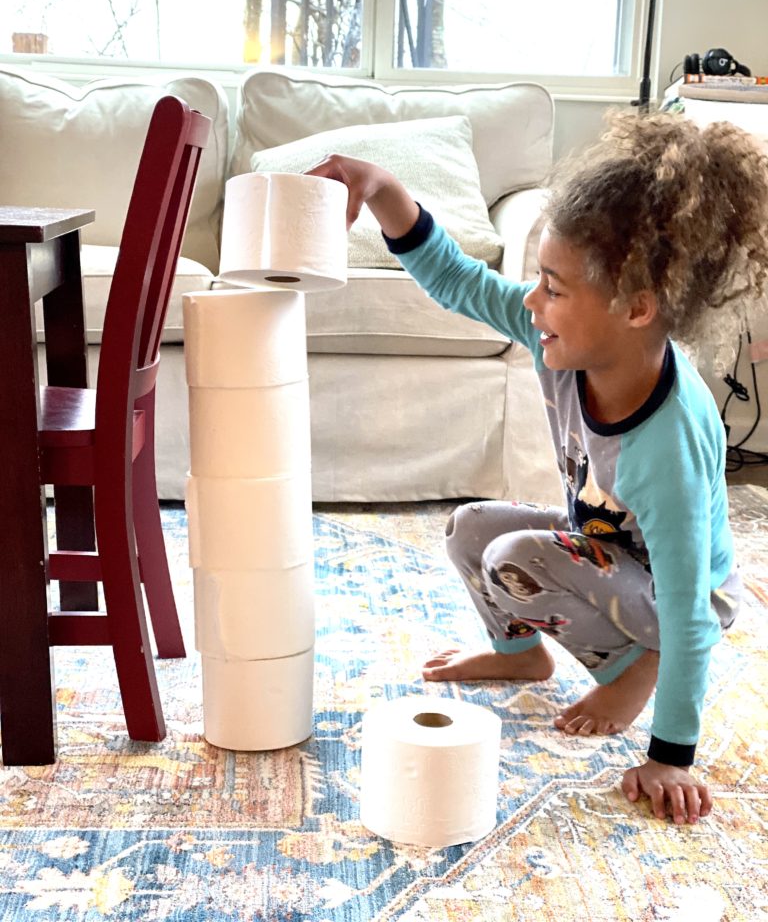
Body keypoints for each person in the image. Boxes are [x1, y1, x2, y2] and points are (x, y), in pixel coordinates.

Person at [306, 111, 768, 826]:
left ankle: (629, 666)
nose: (531, 301)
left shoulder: (666, 444)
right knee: (469, 529)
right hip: (610, 552)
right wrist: (384, 189)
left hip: (684, 598)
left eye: (553, 286)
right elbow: (461, 281)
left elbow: (688, 608)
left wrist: (672, 753)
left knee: (519, 554)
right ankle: (520, 655)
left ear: (637, 307)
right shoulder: (563, 338)